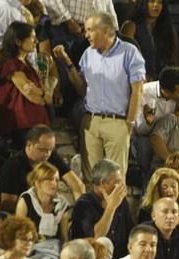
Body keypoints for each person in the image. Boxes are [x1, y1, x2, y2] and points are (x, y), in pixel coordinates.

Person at [53, 12, 145, 177]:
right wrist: (67, 63)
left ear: (107, 31)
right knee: (91, 179)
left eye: (90, 30)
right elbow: (82, 89)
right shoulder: (88, 53)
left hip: (118, 122)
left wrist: (129, 124)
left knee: (115, 181)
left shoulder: (129, 52)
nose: (86, 34)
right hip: (91, 122)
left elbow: (138, 90)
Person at [0, 125, 84, 212]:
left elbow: (77, 184)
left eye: (50, 150)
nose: (47, 154)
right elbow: (7, 203)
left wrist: (80, 210)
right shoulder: (13, 165)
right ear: (29, 144)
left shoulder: (52, 157)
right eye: (42, 150)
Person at [0, 22, 51, 147]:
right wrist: (42, 94)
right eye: (32, 37)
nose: (36, 41)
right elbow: (30, 93)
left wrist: (41, 93)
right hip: (22, 124)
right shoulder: (11, 64)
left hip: (35, 123)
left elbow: (42, 93)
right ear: (18, 41)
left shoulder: (27, 64)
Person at [70, 159, 134, 259]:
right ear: (103, 183)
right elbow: (97, 236)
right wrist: (111, 207)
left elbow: (131, 231)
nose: (121, 186)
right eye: (117, 182)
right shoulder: (84, 204)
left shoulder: (121, 200)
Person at [121, 0, 178, 81]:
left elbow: (174, 61)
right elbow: (125, 60)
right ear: (143, 3)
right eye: (152, 1)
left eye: (160, 2)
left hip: (162, 82)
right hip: (137, 80)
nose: (156, 5)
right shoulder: (130, 26)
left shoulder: (168, 29)